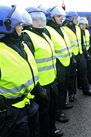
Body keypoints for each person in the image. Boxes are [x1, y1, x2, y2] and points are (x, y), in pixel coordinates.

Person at [0, 5, 39, 137]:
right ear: (6, 26)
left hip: (27, 104)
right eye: (19, 25)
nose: (22, 28)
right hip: (10, 114)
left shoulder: (19, 44)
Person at [23, 7, 63, 137]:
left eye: (41, 18)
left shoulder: (44, 33)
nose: (39, 22)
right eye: (35, 19)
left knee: (52, 110)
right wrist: (37, 87)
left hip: (52, 80)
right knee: (42, 114)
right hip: (40, 85)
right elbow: (28, 64)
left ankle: (52, 130)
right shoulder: (27, 36)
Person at [45, 6, 72, 123]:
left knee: (63, 87)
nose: (61, 18)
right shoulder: (48, 30)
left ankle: (62, 104)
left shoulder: (61, 28)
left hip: (66, 62)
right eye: (58, 16)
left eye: (61, 16)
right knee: (57, 90)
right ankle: (58, 112)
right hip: (57, 64)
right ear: (51, 18)